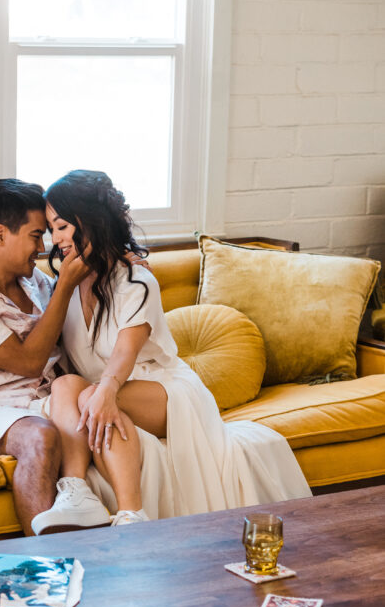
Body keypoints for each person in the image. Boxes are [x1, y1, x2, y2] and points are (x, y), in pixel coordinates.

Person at [31, 169, 311, 530]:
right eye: (51, 229)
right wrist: (65, 289)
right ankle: (77, 491)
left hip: (163, 390)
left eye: (62, 226)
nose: (55, 239)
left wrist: (106, 391)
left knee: (92, 399)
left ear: (89, 222)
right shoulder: (63, 285)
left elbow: (124, 354)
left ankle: (132, 516)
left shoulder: (135, 279)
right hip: (104, 389)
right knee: (65, 386)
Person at [0, 178, 114, 535]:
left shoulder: (40, 285)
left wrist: (121, 259)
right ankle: (43, 565)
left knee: (108, 423)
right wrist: (65, 286)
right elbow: (29, 362)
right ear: (0, 234)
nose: (43, 247)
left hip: (49, 401)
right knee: (42, 435)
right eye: (35, 236)